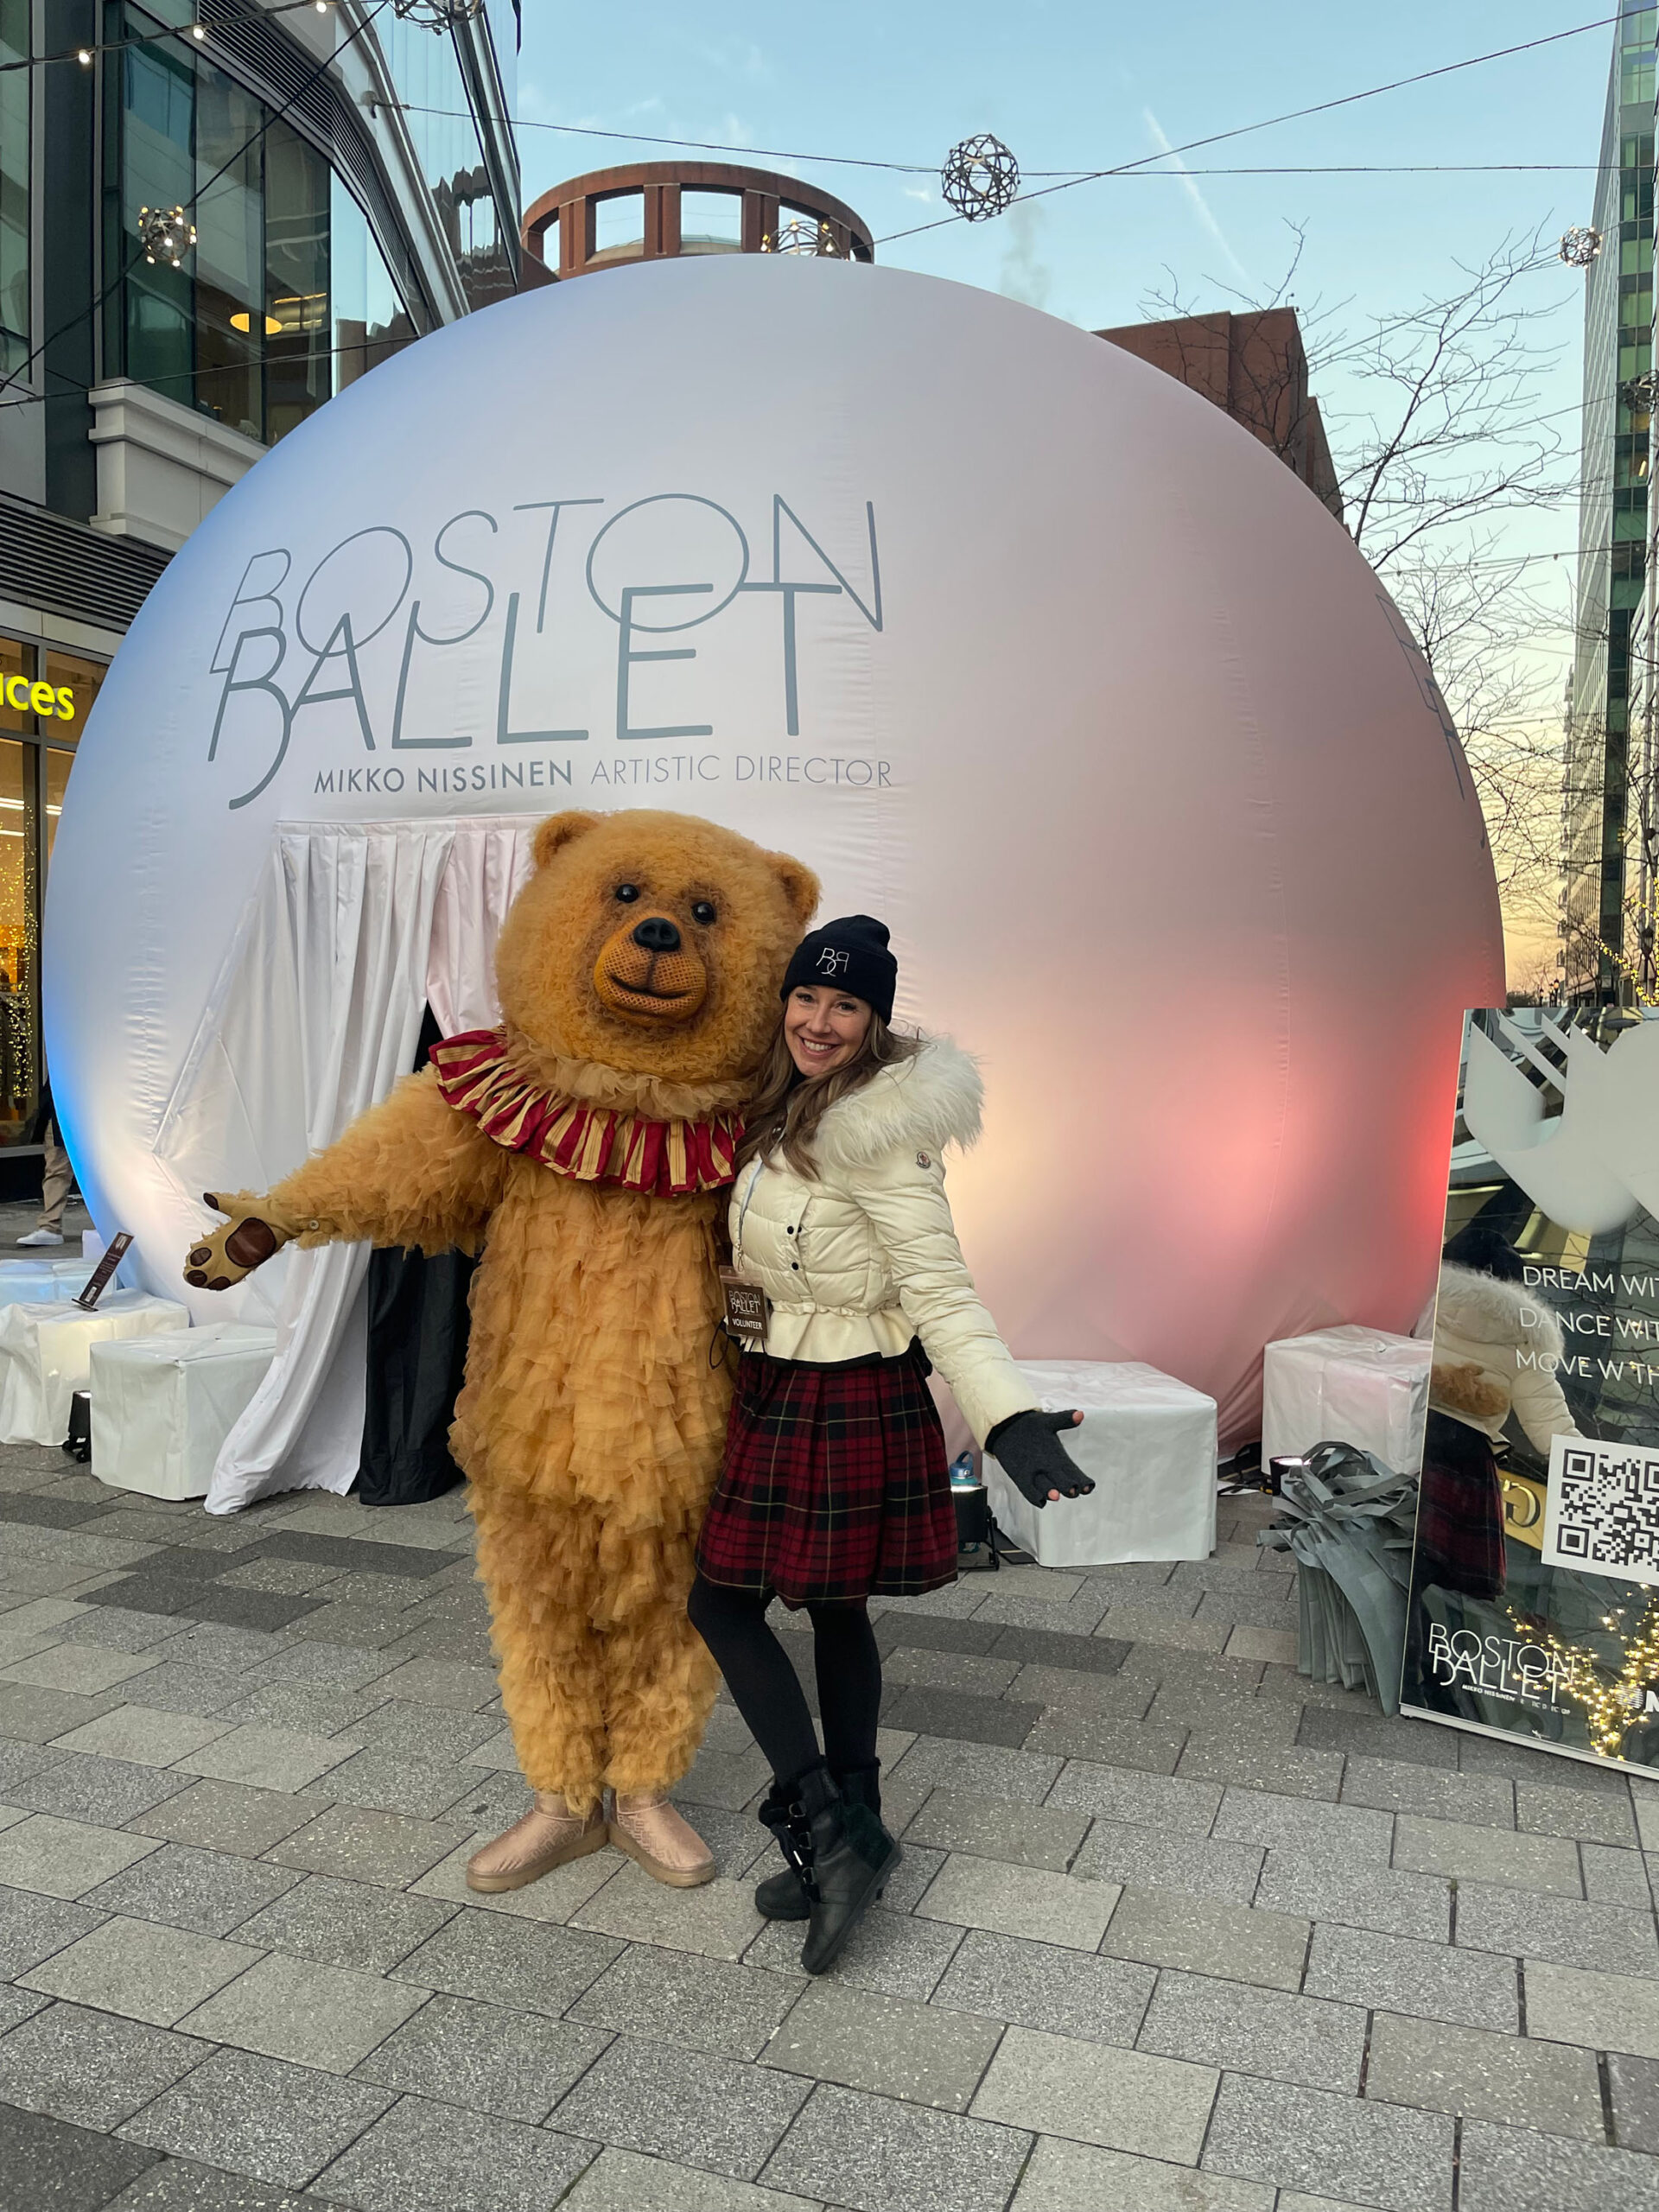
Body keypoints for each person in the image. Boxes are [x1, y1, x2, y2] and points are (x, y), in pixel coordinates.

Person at [687, 916, 1092, 1974]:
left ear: (875, 1021)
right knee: (829, 1609)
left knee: (722, 1603)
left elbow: (940, 1288)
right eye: (807, 997)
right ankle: (856, 1830)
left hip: (846, 1389)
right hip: (780, 1378)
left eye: (847, 1005)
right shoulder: (783, 1104)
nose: (820, 1021)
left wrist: (1006, 1416)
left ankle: (832, 1830)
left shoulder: (875, 1129)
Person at [1420, 1218, 1582, 1599]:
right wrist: (1593, 1471)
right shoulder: (1524, 1341)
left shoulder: (1421, 1302)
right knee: (1429, 1570)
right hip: (1466, 1460)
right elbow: (1550, 1420)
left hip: (1408, 1434)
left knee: (1385, 1544)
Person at [18, 1073, 70, 1248]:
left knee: (102, 1171)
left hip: (87, 1109)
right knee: (56, 1169)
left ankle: (50, 1227)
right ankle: (50, 1227)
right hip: (59, 1110)